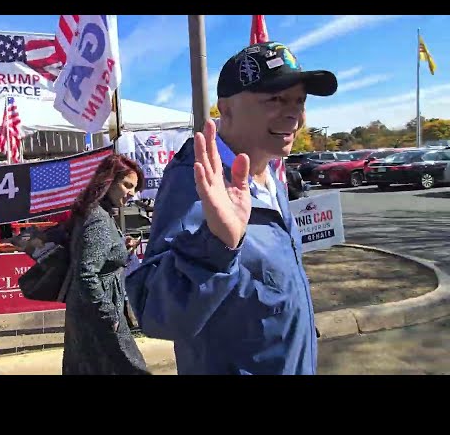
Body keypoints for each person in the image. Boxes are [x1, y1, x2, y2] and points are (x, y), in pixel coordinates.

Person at [125, 41, 338, 375]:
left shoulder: (269, 175)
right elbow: (156, 313)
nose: (294, 113)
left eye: (299, 100)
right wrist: (216, 246)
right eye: (275, 99)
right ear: (226, 109)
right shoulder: (194, 183)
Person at [62, 153, 149, 375]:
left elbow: (95, 254)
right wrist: (109, 314)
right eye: (127, 185)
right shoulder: (99, 219)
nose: (131, 193)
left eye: (134, 188)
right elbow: (86, 273)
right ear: (109, 181)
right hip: (98, 314)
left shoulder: (96, 213)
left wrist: (121, 246)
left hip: (88, 312)